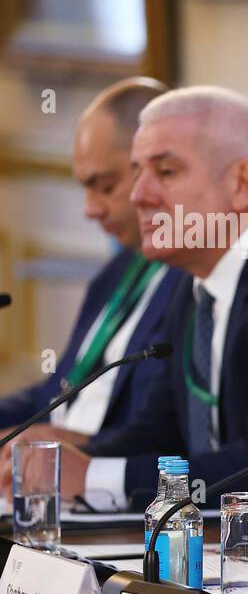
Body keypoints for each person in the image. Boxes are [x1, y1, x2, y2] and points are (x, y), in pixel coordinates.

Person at [17, 86, 248, 526]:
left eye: (165, 172)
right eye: (136, 172)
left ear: (241, 184)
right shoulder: (196, 281)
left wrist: (96, 474)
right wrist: (56, 461)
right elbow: (159, 432)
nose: (139, 195)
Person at [0, 77, 184, 450]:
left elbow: (164, 435)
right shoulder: (115, 273)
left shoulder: (194, 283)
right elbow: (59, 396)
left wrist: (71, 452)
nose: (90, 209)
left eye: (104, 186)